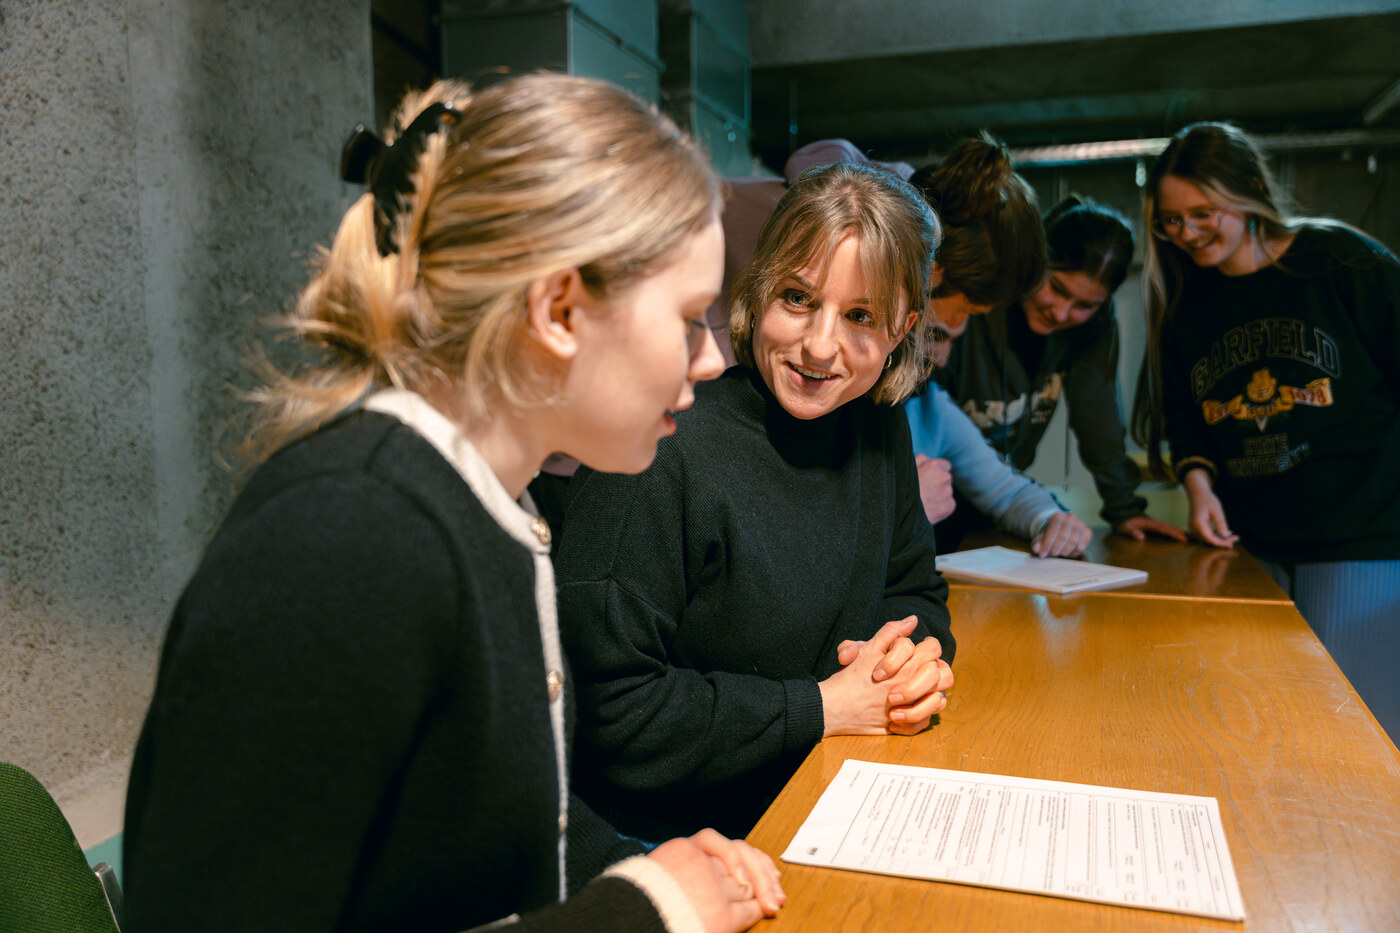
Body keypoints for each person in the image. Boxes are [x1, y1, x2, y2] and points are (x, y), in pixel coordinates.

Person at [122, 74, 783, 933]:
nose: (710, 361)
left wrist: (639, 867)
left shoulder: (486, 504)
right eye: (692, 319)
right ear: (557, 308)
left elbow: (480, 823)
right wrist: (645, 911)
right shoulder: (349, 537)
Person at [554, 162, 955, 843]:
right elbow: (611, 715)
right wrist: (822, 706)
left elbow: (913, 587)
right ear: (759, 287)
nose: (821, 346)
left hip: (821, 786)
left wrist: (910, 658)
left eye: (861, 316)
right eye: (798, 299)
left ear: (901, 330)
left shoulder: (875, 424)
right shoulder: (663, 447)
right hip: (672, 837)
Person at [1130, 121, 1400, 739]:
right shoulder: (1186, 300)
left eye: (1203, 213)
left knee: (1358, 737)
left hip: (1361, 543)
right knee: (1265, 728)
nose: (1186, 233)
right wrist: (1198, 486)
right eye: (1170, 221)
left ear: (1248, 191)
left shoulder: (1339, 259)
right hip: (1252, 546)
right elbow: (1186, 422)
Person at [926, 196, 1185, 552]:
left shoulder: (1091, 329)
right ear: (1034, 264)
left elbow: (1098, 417)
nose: (1062, 313)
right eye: (1057, 289)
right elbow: (924, 415)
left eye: (1085, 305)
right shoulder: (973, 312)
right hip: (927, 499)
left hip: (996, 503)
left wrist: (1122, 507)